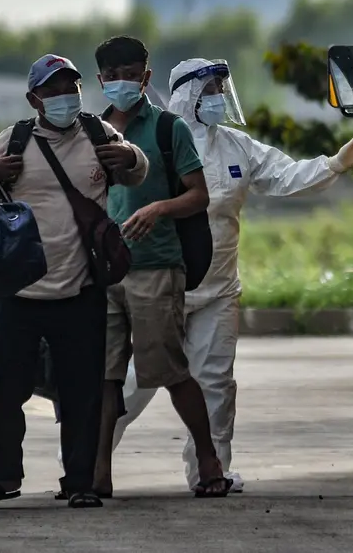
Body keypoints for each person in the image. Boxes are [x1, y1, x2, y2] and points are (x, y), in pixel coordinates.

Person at [107, 57, 353, 493]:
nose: (217, 98)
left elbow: (285, 176)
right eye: (209, 90)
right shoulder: (158, 144)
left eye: (219, 90)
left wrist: (335, 163)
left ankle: (211, 472)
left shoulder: (236, 147)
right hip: (161, 287)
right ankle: (85, 460)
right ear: (187, 96)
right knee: (135, 383)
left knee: (216, 383)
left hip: (219, 290)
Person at [0, 53, 148, 510]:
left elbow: (135, 168)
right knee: (2, 388)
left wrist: (130, 155)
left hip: (81, 289)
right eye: (53, 90)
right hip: (21, 290)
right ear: (34, 98)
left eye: (72, 87)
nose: (66, 96)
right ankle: (3, 477)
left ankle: (80, 481)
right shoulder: (16, 139)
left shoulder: (97, 133)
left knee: (82, 392)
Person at [89, 36, 230, 498]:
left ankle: (208, 461)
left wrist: (159, 210)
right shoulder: (88, 132)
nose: (122, 83)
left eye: (132, 74)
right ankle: (97, 474)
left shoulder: (169, 128)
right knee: (105, 377)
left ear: (146, 78)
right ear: (100, 80)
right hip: (102, 271)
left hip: (156, 267)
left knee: (169, 370)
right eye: (113, 76)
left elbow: (199, 195)